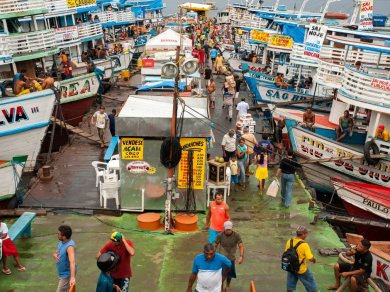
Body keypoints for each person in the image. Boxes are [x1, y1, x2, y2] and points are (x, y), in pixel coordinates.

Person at [284, 226, 318, 292]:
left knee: (290, 286)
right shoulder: (304, 245)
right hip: (301, 269)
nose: (306, 236)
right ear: (303, 234)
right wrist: (314, 260)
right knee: (311, 284)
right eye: (306, 234)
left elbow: (286, 252)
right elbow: (310, 258)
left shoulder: (289, 241)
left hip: (290, 267)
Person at [215, 221, 244, 292]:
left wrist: (241, 256)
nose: (228, 231)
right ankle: (220, 285)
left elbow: (241, 246)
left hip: (231, 257)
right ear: (224, 228)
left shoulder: (236, 235)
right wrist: (213, 255)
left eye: (229, 229)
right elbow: (215, 245)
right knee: (220, 273)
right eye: (227, 229)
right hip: (222, 258)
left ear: (232, 228)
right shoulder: (220, 235)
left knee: (229, 274)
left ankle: (228, 285)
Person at [53, 225, 76, 292]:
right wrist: (54, 255)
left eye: (58, 234)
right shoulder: (61, 242)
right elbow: (57, 251)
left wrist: (72, 277)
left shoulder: (70, 247)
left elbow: (72, 262)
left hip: (66, 276)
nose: (57, 234)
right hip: (62, 273)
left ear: (64, 237)